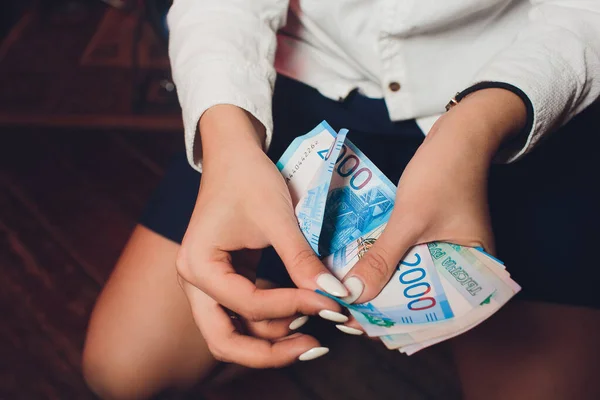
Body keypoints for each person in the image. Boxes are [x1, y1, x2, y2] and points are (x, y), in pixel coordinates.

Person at [82, 1, 600, 399]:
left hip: (522, 91)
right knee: (120, 371)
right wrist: (226, 140)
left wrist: (475, 129)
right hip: (297, 89)